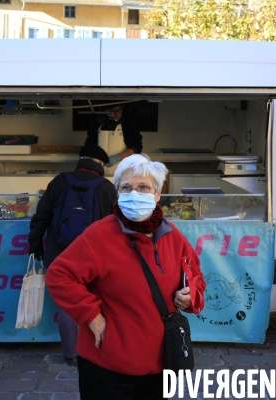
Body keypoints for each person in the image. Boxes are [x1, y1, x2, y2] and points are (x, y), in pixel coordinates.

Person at [46, 154, 205, 399]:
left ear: (157, 194)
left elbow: (196, 277)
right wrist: (90, 315)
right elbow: (60, 275)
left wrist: (190, 295)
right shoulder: (99, 234)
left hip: (160, 363)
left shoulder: (173, 236)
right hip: (109, 364)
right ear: (118, 193)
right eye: (126, 188)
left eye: (143, 187)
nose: (134, 194)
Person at [28, 145, 118, 366]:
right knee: (100, 302)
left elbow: (41, 216)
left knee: (69, 304)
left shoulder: (59, 182)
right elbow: (116, 226)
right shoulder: (106, 188)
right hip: (95, 256)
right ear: (101, 164)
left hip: (59, 254)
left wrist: (35, 245)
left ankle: (72, 354)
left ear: (80, 160)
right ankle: (99, 349)